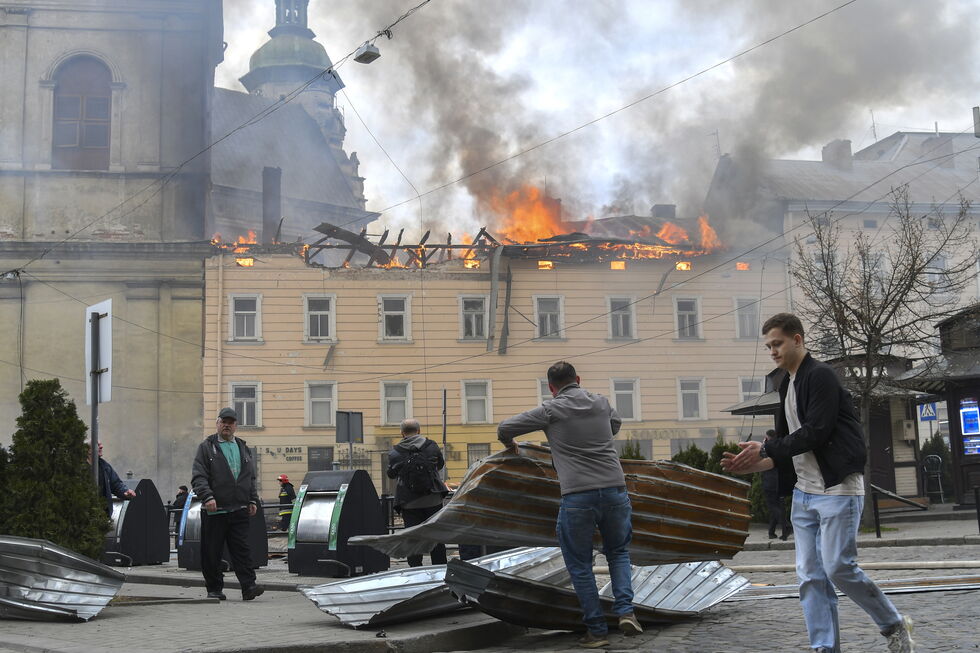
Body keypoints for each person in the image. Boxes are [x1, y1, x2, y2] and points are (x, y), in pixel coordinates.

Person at [721, 313, 914, 653]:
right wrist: (750, 466)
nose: (772, 352)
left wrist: (765, 446)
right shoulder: (785, 385)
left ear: (798, 339)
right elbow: (785, 448)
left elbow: (815, 433)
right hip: (804, 494)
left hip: (838, 489)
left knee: (838, 567)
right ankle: (825, 648)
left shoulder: (821, 375)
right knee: (810, 576)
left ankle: (893, 624)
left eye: (777, 343)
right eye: (768, 346)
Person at [497, 361, 641, 649]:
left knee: (580, 565)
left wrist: (510, 444)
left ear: (551, 387)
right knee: (618, 553)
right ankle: (626, 611)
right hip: (615, 490)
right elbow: (615, 424)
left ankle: (597, 632)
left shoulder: (550, 410)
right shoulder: (601, 402)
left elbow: (505, 427)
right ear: (578, 378)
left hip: (578, 495)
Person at [191, 407, 264, 602]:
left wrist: (252, 499)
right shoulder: (207, 447)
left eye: (230, 423)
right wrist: (208, 497)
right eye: (223, 421)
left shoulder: (243, 447)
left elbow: (250, 477)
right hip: (215, 509)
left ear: (236, 426)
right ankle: (214, 589)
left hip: (239, 508)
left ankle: (249, 586)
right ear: (217, 423)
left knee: (242, 550)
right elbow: (199, 476)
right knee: (212, 552)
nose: (227, 425)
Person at [385, 418, 449, 567]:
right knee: (435, 535)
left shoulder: (395, 452)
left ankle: (415, 570)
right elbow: (439, 464)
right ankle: (439, 569)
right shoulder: (431, 446)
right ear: (419, 431)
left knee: (412, 537)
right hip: (433, 498)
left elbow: (391, 474)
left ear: (402, 433)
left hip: (409, 502)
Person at [761, 430, 791, 541]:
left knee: (773, 506)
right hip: (780, 480)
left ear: (767, 438)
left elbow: (761, 457)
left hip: (769, 481)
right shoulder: (781, 447)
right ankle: (771, 532)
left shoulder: (766, 449)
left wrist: (764, 445)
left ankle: (786, 526)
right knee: (777, 507)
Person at [92, 441, 135, 516]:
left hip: (102, 514)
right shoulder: (80, 467)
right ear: (88, 450)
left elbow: (115, 484)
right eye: (98, 445)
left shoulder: (104, 466)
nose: (102, 446)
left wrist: (125, 492)